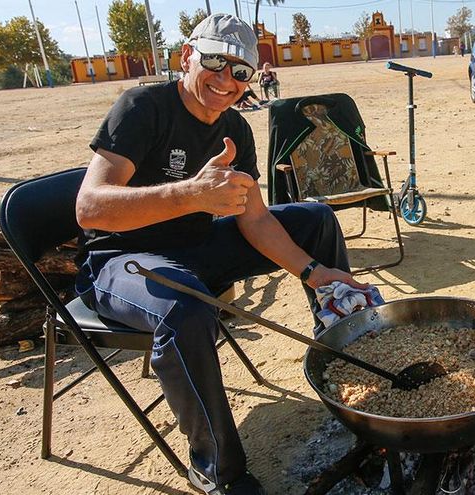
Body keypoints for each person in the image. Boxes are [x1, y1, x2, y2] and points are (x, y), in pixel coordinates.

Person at [74, 13, 364, 495]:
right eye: (215, 61)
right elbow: (89, 208)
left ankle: (342, 355)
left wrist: (314, 272)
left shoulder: (235, 129)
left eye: (241, 71)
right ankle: (218, 469)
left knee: (315, 218)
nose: (226, 80)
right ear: (186, 57)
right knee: (185, 304)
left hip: (193, 247)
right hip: (119, 260)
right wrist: (188, 195)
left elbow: (255, 220)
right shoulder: (142, 107)